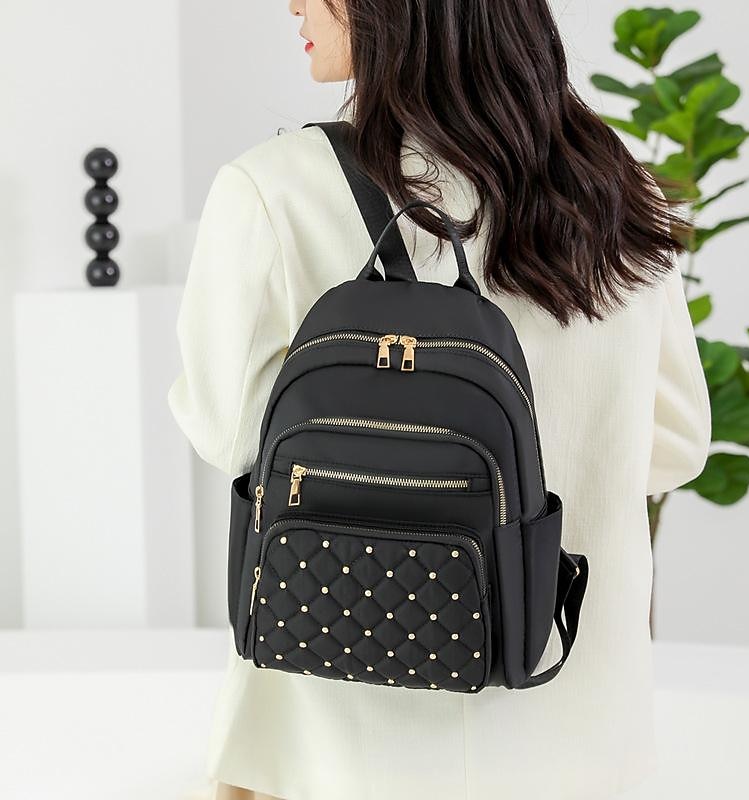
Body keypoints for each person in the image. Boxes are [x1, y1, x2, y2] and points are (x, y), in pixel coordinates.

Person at [167, 0, 712, 798]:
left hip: (338, 743)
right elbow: (676, 444)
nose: (294, 3)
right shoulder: (615, 186)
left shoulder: (272, 190)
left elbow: (229, 433)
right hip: (575, 740)